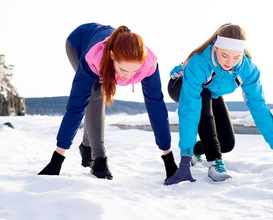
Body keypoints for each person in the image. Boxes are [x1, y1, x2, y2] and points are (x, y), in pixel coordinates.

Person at [39, 23, 177, 181]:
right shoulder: (94, 58)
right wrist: (56, 160)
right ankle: (99, 160)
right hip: (78, 43)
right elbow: (76, 107)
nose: (128, 76)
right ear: (112, 56)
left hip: (105, 49)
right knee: (95, 93)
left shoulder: (148, 64)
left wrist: (169, 160)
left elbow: (156, 106)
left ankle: (86, 147)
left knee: (100, 93)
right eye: (123, 70)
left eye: (135, 71)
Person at [164, 23, 273, 185]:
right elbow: (189, 110)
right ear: (215, 48)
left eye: (236, 57)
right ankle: (214, 162)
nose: (230, 62)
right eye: (224, 55)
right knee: (202, 101)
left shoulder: (248, 69)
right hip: (181, 85)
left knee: (226, 143)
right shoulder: (198, 63)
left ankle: (198, 150)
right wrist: (184, 161)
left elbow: (259, 107)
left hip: (210, 92)